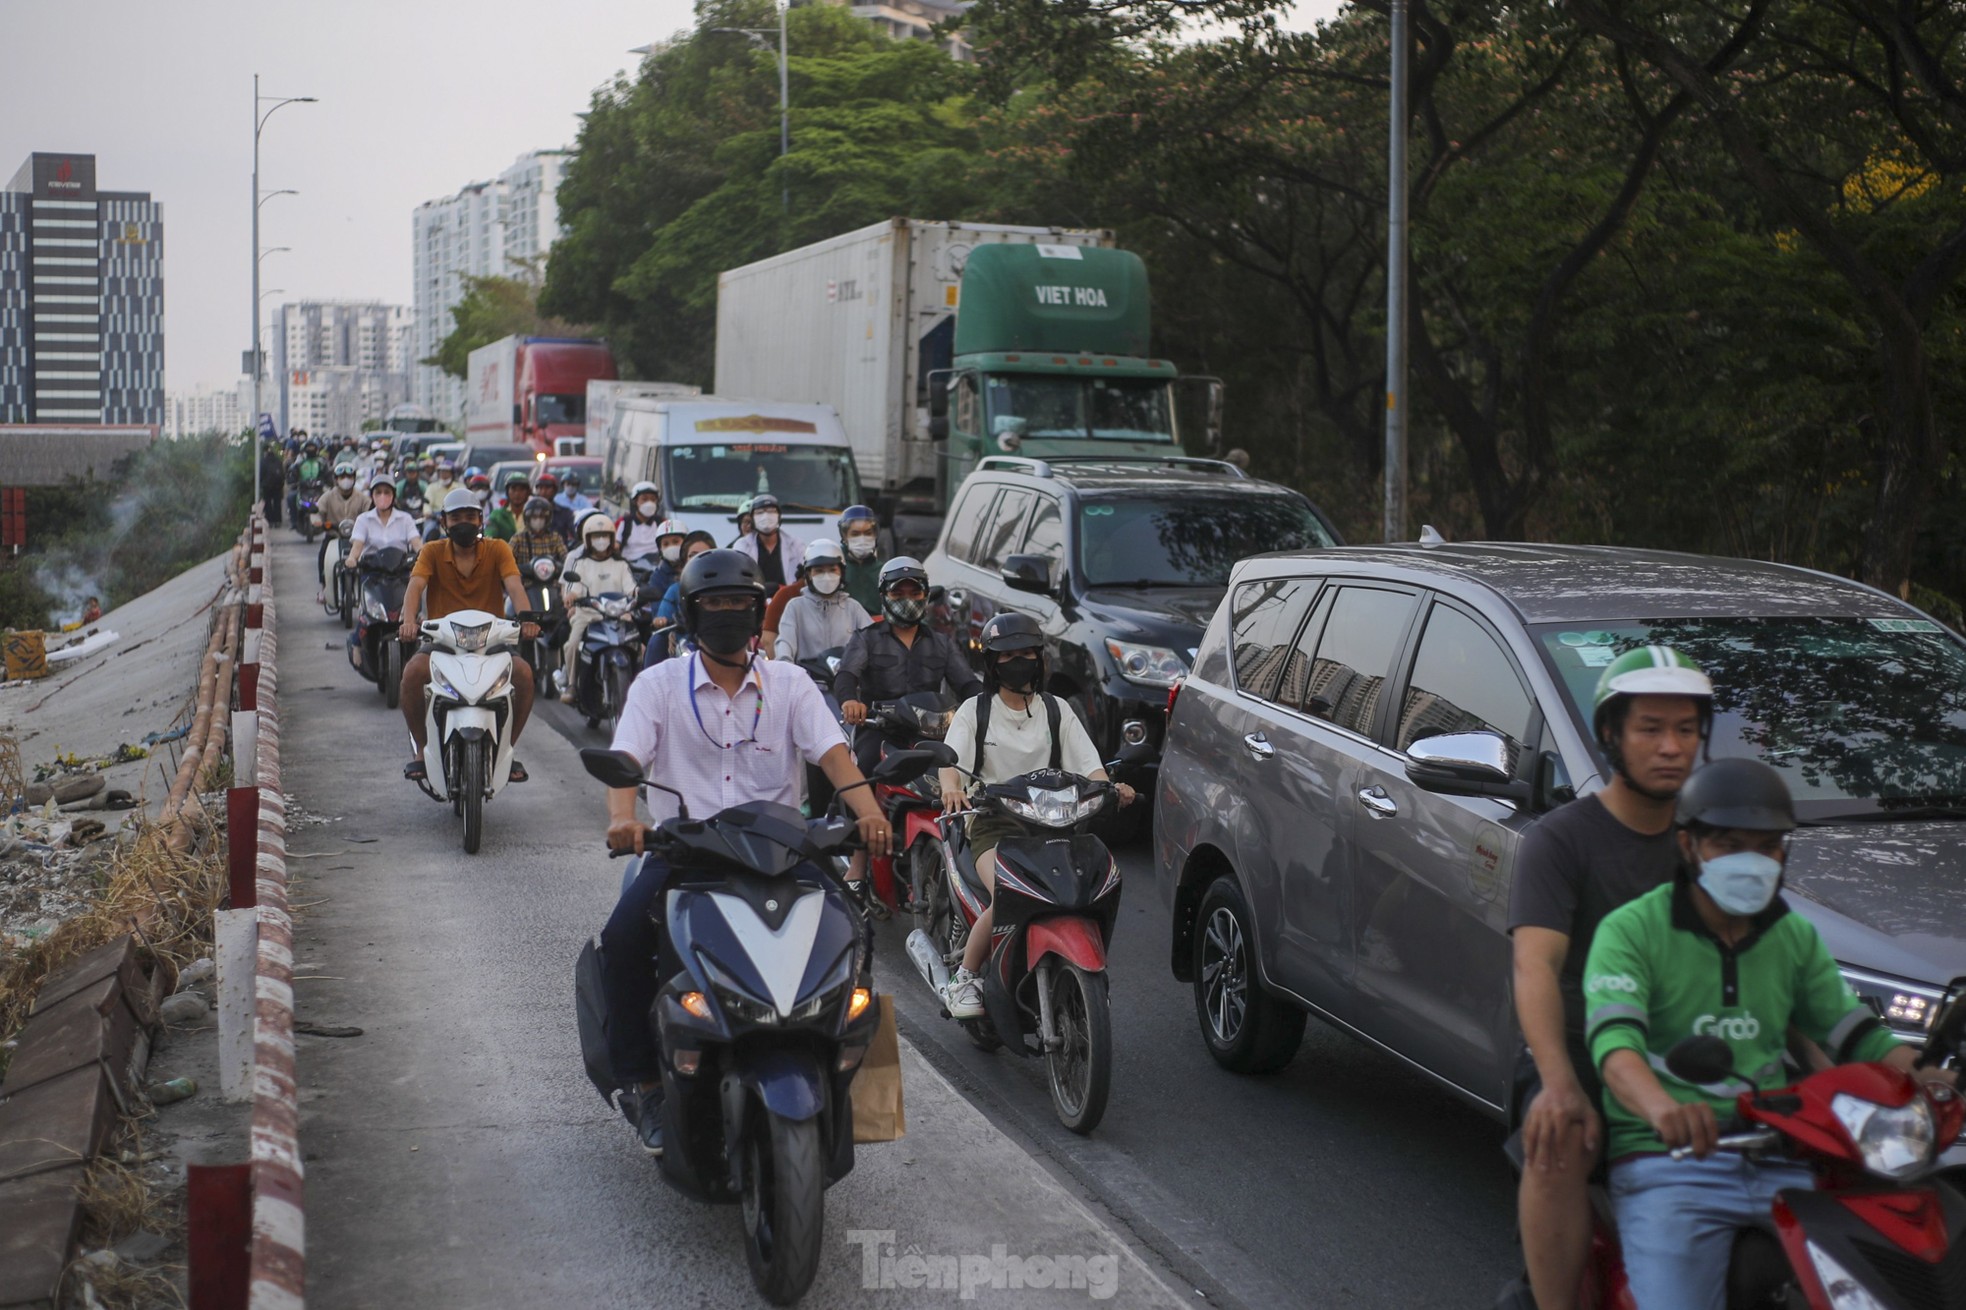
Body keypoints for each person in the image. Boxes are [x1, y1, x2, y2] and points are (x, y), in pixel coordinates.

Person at [1584, 758, 1947, 1310]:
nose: (1751, 862)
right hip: (1670, 1165)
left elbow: (1856, 1035)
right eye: (1730, 845)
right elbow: (1615, 1049)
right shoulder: (1631, 931)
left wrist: (1923, 1076)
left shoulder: (1792, 937)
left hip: (1790, 1161)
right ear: (1688, 846)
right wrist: (1664, 1111)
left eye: (1768, 846)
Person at [599, 549, 891, 1154]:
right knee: (625, 940)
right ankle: (646, 1085)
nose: (728, 615)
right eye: (715, 605)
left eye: (740, 604)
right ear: (690, 613)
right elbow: (627, 759)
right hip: (687, 852)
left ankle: (865, 1095)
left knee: (858, 936)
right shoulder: (658, 685)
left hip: (782, 849)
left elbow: (834, 753)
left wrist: (868, 812)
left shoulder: (788, 683)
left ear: (758, 610)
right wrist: (624, 819)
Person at [1507, 646, 1713, 1310]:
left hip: (1692, 1044)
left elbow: (1780, 965)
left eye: (1686, 729)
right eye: (1650, 728)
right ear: (1611, 736)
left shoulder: (1714, 843)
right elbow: (1534, 964)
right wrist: (1558, 1083)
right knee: (1556, 1135)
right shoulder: (1562, 840)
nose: (1672, 747)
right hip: (1580, 1049)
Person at [938, 613, 1134, 1015]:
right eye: (1008, 656)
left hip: (1056, 821)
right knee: (1007, 895)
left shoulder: (1056, 710)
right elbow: (952, 762)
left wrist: (1110, 789)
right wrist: (952, 789)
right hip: (995, 825)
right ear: (993, 664)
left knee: (1093, 886)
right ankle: (966, 978)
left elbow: (1090, 765)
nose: (1020, 661)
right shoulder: (975, 711)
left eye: (1027, 652)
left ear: (1040, 659)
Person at [835, 557, 983, 895]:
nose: (907, 598)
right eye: (897, 591)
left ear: (925, 596)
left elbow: (967, 684)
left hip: (930, 731)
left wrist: (986, 704)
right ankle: (858, 863)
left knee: (970, 774)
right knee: (867, 774)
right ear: (884, 595)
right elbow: (846, 676)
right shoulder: (867, 638)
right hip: (880, 728)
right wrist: (850, 702)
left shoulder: (942, 642)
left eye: (914, 592)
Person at [397, 489, 540, 784]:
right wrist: (408, 621)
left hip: (492, 640)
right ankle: (422, 753)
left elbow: (514, 587)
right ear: (444, 522)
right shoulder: (432, 551)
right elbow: (415, 588)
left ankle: (507, 750)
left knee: (524, 675)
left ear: (480, 520)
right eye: (457, 517)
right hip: (443, 641)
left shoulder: (499, 549)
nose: (464, 522)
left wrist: (526, 619)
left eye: (470, 517)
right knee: (412, 674)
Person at [560, 511, 639, 703]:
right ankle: (571, 684)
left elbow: (631, 587)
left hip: (618, 615)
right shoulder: (581, 563)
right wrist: (571, 596)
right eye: (596, 536)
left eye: (605, 536)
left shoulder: (620, 564)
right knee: (572, 644)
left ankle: (638, 684)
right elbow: (574, 588)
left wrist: (638, 595)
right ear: (587, 539)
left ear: (612, 538)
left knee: (638, 643)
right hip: (588, 614)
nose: (601, 540)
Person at [773, 540, 869, 663]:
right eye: (819, 571)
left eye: (832, 570)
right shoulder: (795, 607)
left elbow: (873, 641)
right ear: (808, 574)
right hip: (807, 677)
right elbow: (785, 641)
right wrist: (785, 663)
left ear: (842, 572)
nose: (826, 576)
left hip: (846, 677)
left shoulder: (853, 608)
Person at [642, 531, 716, 670]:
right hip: (683, 643)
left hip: (717, 641)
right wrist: (661, 622)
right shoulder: (675, 590)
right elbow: (662, 616)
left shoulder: (723, 589)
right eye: (692, 556)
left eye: (705, 555)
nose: (698, 559)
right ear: (684, 561)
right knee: (656, 641)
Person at [315, 461, 372, 600]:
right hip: (334, 536)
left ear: (354, 478)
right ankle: (324, 587)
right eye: (342, 477)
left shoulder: (362, 498)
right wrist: (317, 521)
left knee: (371, 559)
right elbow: (317, 511)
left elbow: (371, 512)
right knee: (323, 555)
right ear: (336, 480)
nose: (345, 480)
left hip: (357, 539)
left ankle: (370, 590)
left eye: (349, 476)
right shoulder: (328, 496)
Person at [345, 473, 421, 571]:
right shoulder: (363, 519)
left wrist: (425, 555)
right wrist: (352, 559)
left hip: (400, 572)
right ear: (372, 496)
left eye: (387, 492)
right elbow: (357, 545)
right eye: (378, 492)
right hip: (371, 572)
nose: (382, 496)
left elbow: (416, 543)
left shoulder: (405, 518)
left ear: (393, 496)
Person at [731, 492, 804, 589]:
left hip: (788, 601)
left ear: (779, 517)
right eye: (759, 513)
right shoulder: (742, 546)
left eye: (771, 511)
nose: (765, 516)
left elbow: (805, 579)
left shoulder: (796, 545)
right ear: (752, 519)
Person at [838, 504, 883, 617]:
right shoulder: (836, 568)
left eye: (868, 533)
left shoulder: (882, 570)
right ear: (844, 536)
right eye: (855, 534)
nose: (862, 538)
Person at [509, 495, 568, 575]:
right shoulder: (518, 538)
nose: (538, 520)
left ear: (547, 519)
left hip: (552, 582)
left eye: (542, 517)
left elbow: (566, 558)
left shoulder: (555, 537)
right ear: (527, 519)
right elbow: (507, 559)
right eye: (534, 517)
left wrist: (564, 565)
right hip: (526, 583)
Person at [616, 482, 668, 562]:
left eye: (653, 499)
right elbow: (615, 545)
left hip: (655, 566)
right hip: (630, 567)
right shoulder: (624, 523)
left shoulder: (662, 523)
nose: (649, 503)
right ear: (635, 501)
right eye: (644, 499)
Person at [486, 473, 533, 541]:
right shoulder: (497, 515)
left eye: (521, 490)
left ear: (528, 493)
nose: (517, 493)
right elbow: (489, 536)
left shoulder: (533, 515)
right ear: (507, 492)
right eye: (513, 489)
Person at [533, 472, 578, 541]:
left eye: (547, 488)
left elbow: (576, 534)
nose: (543, 491)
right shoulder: (529, 512)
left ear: (555, 490)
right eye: (540, 488)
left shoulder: (565, 513)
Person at [258, 443, 286, 527]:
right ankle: (278, 521)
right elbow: (282, 473)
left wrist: (261, 483)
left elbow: (261, 474)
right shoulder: (278, 460)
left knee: (268, 503)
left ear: (264, 452)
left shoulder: (263, 461)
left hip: (267, 486)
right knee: (277, 503)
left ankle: (270, 521)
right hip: (277, 485)